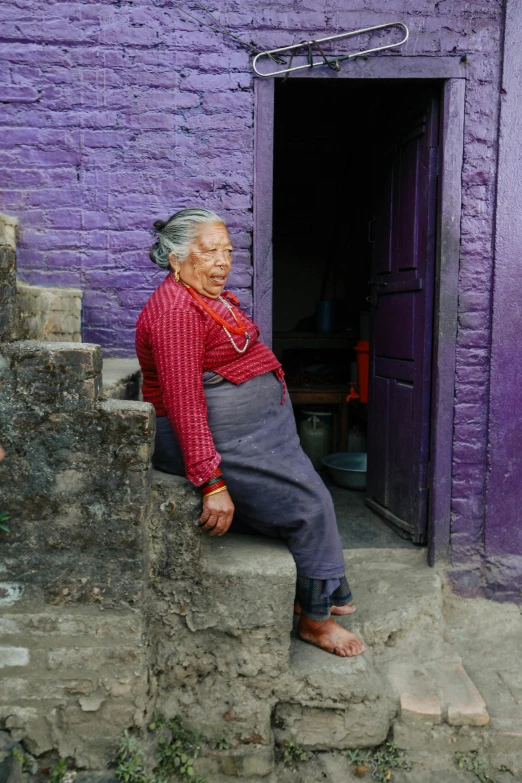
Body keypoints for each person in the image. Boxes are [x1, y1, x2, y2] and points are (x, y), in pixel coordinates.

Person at [136, 208, 365, 658]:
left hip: (254, 435)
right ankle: (314, 623)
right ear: (176, 258)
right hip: (215, 441)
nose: (223, 262)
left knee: (308, 492)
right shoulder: (175, 311)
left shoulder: (206, 296)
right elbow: (183, 401)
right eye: (209, 252)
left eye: (227, 251)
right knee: (310, 503)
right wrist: (211, 480)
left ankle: (314, 590)